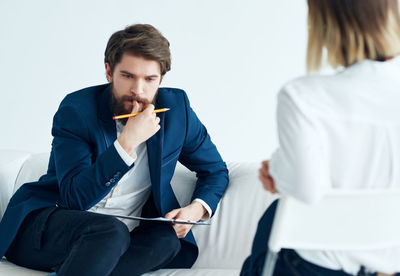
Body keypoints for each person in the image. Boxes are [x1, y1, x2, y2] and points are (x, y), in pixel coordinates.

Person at [0, 24, 229, 276]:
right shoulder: (76, 111)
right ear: (109, 71)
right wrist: (126, 143)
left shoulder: (177, 113)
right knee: (110, 231)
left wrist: (196, 209)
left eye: (149, 79)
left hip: (122, 238)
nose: (138, 90)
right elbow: (74, 199)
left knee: (167, 241)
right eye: (128, 76)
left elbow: (215, 169)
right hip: (51, 229)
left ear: (161, 79)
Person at [241, 0, 400, 275]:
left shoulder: (303, 96)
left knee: (274, 221)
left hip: (322, 267)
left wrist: (280, 170)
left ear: (326, 25)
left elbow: (306, 189)